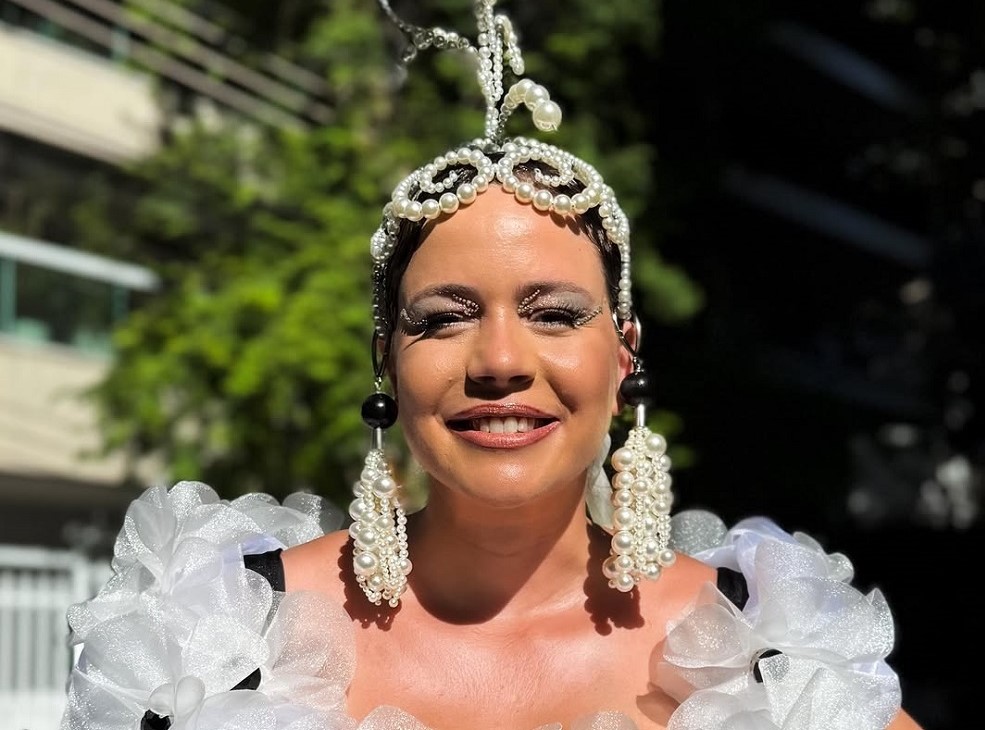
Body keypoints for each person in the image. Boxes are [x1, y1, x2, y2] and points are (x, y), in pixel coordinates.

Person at [59, 1, 926, 729]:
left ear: (625, 355)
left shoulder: (775, 649)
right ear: (387, 361)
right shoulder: (213, 642)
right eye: (443, 319)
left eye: (553, 315)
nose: (502, 362)